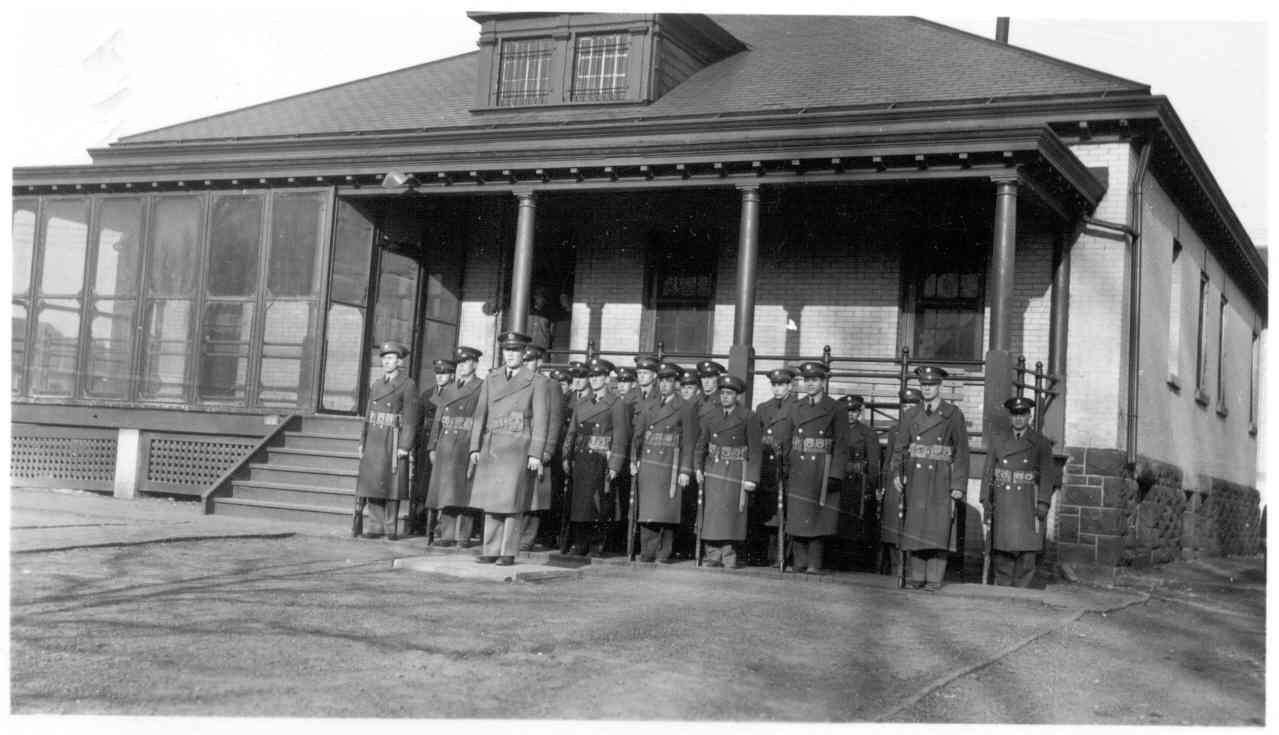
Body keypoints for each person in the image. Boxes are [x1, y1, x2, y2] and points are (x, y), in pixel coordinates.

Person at [468, 331, 549, 566]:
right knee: (492, 500)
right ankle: (491, 548)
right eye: (507, 350)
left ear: (523, 354)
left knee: (512, 503)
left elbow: (541, 419)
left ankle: (508, 552)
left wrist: (535, 453)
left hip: (517, 446)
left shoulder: (536, 381)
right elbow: (479, 414)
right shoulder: (491, 379)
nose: (510, 355)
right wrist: (475, 446)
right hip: (492, 446)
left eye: (515, 351)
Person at [890, 366, 970, 591]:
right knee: (916, 525)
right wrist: (897, 472)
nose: (927, 389)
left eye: (931, 385)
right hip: (915, 477)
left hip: (941, 477)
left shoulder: (953, 414)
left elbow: (962, 452)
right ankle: (917, 576)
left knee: (937, 526)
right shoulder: (911, 414)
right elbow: (900, 448)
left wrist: (958, 485)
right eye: (924, 385)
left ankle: (934, 578)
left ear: (939, 386)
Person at [783, 361, 849, 573]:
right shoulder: (796, 406)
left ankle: (814, 563)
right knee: (798, 514)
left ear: (823, 381)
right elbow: (787, 438)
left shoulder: (836, 408)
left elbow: (841, 444)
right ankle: (799, 561)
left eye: (815, 380)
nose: (810, 384)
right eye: (807, 380)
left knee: (818, 517)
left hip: (822, 466)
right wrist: (784, 465)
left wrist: (836, 474)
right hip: (798, 466)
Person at [982, 396, 1055, 587]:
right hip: (1003, 500)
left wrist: (1043, 502)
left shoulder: (1040, 443)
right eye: (1014, 415)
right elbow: (988, 471)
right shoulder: (998, 440)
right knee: (1003, 548)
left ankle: (1023, 590)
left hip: (1027, 501)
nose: (1018, 419)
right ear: (1010, 417)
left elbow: (1048, 475)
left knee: (1027, 549)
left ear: (1029, 416)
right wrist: (985, 500)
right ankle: (1003, 587)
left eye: (1022, 414)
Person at [561, 358, 631, 556]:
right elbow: (572, 432)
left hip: (601, 459)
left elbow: (620, 436)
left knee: (598, 503)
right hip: (581, 458)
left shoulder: (616, 403)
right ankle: (580, 542)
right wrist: (566, 455)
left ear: (607, 378)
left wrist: (615, 464)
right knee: (579, 504)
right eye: (592, 376)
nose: (595, 380)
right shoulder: (581, 403)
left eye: (599, 376)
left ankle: (596, 543)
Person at [630, 361, 697, 563]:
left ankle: (663, 552)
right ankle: (647, 551)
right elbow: (638, 436)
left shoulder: (685, 407)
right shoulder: (648, 406)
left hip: (671, 464)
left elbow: (689, 442)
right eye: (662, 381)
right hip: (649, 463)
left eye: (669, 381)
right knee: (648, 509)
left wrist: (685, 470)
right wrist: (634, 460)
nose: (665, 385)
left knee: (667, 510)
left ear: (676, 383)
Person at [693, 374, 762, 568]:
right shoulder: (710, 416)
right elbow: (701, 445)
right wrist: (697, 467)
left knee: (732, 513)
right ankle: (712, 554)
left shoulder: (748, 416)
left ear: (737, 396)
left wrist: (752, 478)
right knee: (713, 512)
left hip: (736, 469)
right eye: (722, 393)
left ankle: (729, 555)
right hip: (713, 468)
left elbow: (756, 450)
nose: (724, 397)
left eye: (729, 393)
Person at [355, 340, 419, 541]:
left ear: (399, 361)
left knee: (392, 485)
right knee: (373, 482)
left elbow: (411, 419)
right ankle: (375, 526)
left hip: (394, 439)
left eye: (391, 358)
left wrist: (405, 446)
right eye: (384, 358)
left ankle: (390, 528)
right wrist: (362, 442)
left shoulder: (408, 384)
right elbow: (368, 415)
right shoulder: (376, 384)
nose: (386, 362)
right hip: (374, 439)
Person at [425, 346, 484, 547]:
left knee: (464, 490)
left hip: (466, 442)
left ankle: (463, 536)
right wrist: (432, 445)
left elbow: (481, 419)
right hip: (446, 443)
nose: (461, 367)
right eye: (459, 363)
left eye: (465, 362)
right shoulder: (449, 388)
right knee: (445, 490)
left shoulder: (481, 387)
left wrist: (476, 447)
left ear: (475, 364)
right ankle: (447, 534)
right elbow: (438, 420)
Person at [519, 344, 562, 551]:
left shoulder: (550, 384)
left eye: (530, 361)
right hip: (518, 446)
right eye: (524, 360)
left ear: (539, 362)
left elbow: (554, 419)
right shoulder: (518, 382)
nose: (527, 365)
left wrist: (548, 450)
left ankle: (527, 537)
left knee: (535, 495)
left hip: (538, 446)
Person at [754, 366, 797, 566]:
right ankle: (768, 555)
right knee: (767, 511)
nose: (777, 389)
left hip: (787, 464)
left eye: (782, 384)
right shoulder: (763, 408)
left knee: (785, 512)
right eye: (774, 385)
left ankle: (783, 555)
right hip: (767, 464)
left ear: (790, 385)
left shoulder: (797, 407)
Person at [877, 388, 921, 576]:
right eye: (905, 405)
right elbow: (888, 461)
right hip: (895, 481)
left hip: (917, 481)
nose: (908, 408)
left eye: (913, 405)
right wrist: (883, 486)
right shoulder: (895, 430)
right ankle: (896, 569)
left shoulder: (924, 429)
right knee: (893, 528)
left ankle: (911, 571)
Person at [840, 394, 882, 570]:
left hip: (859, 484)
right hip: (839, 482)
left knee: (858, 525)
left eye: (854, 411)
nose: (850, 415)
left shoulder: (867, 433)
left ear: (859, 412)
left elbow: (873, 463)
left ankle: (857, 565)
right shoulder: (835, 430)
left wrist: (871, 488)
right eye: (847, 411)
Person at [414, 358, 453, 536]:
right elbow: (418, 422)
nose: (440, 377)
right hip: (425, 444)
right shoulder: (426, 395)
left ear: (451, 375)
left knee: (442, 484)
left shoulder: (454, 394)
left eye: (444, 373)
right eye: (438, 373)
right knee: (423, 484)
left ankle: (440, 524)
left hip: (445, 442)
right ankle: (420, 523)